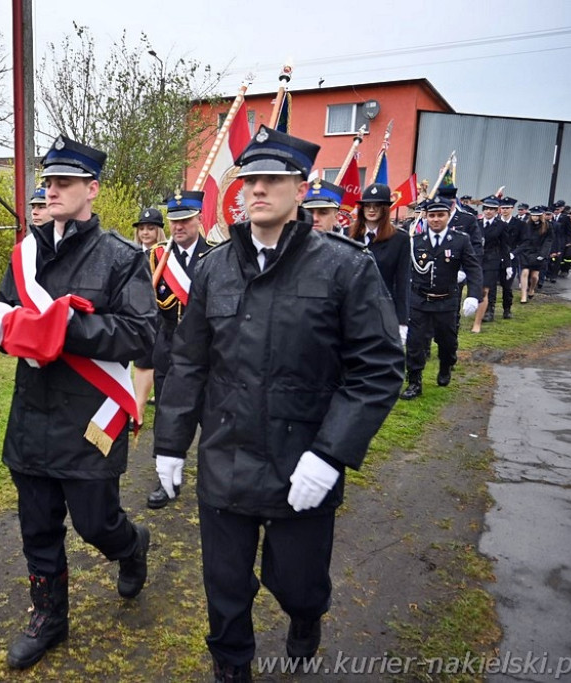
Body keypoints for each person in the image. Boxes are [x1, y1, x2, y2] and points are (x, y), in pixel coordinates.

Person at [153, 125, 404, 682]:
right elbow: (189, 361)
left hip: (302, 462)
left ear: (300, 186)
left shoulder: (344, 266)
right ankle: (231, 666)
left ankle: (306, 616)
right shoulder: (215, 268)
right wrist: (170, 444)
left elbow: (378, 369)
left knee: (297, 582)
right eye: (249, 180)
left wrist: (330, 454)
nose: (257, 189)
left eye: (272, 179)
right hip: (226, 459)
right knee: (224, 585)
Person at [0, 135, 156, 670]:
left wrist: (66, 326)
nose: (52, 189)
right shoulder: (25, 253)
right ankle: (48, 617)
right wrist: (9, 331)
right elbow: (0, 314)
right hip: (31, 413)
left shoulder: (121, 258)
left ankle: (131, 547)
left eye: (64, 182)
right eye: (49, 180)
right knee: (37, 526)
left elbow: (141, 335)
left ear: (92, 189)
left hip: (91, 416)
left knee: (95, 524)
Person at [146, 189, 211, 510]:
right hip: (168, 347)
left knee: (210, 415)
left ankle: (213, 475)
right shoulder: (158, 257)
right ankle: (165, 477)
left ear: (199, 218)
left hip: (206, 351)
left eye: (185, 220)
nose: (179, 227)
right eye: (174, 221)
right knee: (165, 413)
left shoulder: (215, 254)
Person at [400, 195, 482, 400]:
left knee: (447, 342)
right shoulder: (415, 241)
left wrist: (473, 295)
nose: (436, 219)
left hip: (446, 300)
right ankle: (414, 381)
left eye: (440, 215)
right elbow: (405, 271)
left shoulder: (460, 240)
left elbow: (474, 269)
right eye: (432, 215)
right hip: (420, 300)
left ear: (448, 216)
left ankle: (446, 366)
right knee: (415, 343)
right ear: (426, 217)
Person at [350, 183, 412, 345]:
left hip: (383, 309)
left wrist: (402, 321)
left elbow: (402, 282)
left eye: (377, 206)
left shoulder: (400, 239)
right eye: (367, 206)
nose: (371, 210)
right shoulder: (347, 235)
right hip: (351, 309)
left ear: (385, 209)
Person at [132, 207, 166, 424]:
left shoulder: (167, 254)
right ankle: (138, 411)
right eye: (142, 228)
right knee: (143, 361)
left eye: (151, 228)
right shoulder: (132, 254)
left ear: (159, 231)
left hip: (164, 315)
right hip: (140, 314)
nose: (145, 232)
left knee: (164, 362)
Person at [470, 196, 505, 331]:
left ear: (496, 211)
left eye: (492, 209)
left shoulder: (501, 226)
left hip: (492, 261)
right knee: (476, 288)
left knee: (485, 289)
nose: (488, 211)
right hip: (476, 260)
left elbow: (504, 246)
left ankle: (482, 317)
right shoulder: (476, 224)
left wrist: (507, 264)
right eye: (486, 209)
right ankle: (477, 308)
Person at [492, 197, 521, 319]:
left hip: (511, 258)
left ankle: (507, 309)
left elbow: (525, 242)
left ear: (512, 209)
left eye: (507, 208)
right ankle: (490, 310)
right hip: (495, 258)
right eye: (502, 208)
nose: (504, 210)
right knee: (491, 285)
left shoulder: (519, 224)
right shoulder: (495, 222)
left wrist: (513, 253)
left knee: (507, 286)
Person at [517, 206, 553, 302]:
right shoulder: (526, 225)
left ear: (541, 216)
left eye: (537, 216)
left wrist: (543, 254)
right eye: (533, 215)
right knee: (524, 272)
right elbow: (520, 238)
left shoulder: (547, 226)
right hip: (526, 252)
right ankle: (523, 294)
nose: (535, 217)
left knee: (534, 276)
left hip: (538, 253)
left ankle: (532, 289)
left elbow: (548, 241)